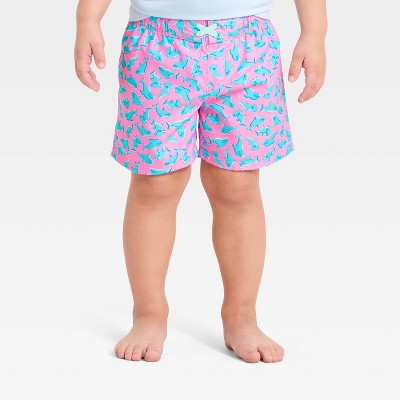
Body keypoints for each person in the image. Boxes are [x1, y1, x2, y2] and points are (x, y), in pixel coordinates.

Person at [74, 0, 327, 363]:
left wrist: (314, 32)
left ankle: (241, 315)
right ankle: (148, 312)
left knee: (237, 186)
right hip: (156, 46)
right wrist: (88, 19)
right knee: (155, 184)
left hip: (247, 45)